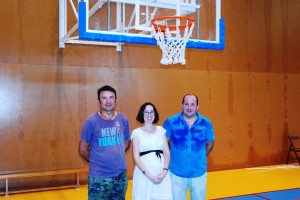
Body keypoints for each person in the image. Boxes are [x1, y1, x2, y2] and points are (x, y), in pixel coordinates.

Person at [78, 85, 131, 200]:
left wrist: (117, 155)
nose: (108, 101)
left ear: (115, 100)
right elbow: (82, 149)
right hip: (99, 178)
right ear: (99, 101)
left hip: (120, 176)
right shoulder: (91, 122)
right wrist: (96, 161)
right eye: (104, 98)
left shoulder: (123, 119)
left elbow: (126, 142)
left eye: (111, 97)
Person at [163, 94, 215, 200]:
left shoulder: (206, 123)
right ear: (182, 105)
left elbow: (210, 144)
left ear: (198, 106)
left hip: (198, 172)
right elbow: (164, 144)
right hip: (176, 172)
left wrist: (199, 156)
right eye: (186, 104)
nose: (189, 107)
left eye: (192, 104)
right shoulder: (171, 122)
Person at [131, 102, 173, 200]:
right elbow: (136, 158)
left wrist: (164, 171)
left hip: (162, 175)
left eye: (151, 112)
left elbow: (166, 152)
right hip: (144, 175)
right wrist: (150, 176)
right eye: (146, 112)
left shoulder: (161, 130)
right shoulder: (136, 133)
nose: (149, 115)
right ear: (142, 114)